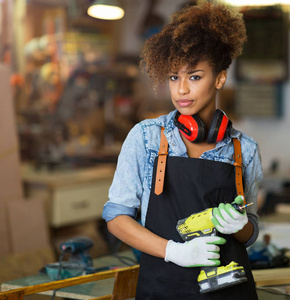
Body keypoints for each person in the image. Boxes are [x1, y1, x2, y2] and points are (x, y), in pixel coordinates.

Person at [102, 3, 263, 299]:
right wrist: (174, 251)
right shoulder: (146, 138)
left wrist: (240, 225)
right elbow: (116, 218)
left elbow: (250, 233)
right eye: (174, 77)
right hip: (164, 289)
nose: (182, 90)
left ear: (219, 78)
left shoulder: (244, 150)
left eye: (195, 76)